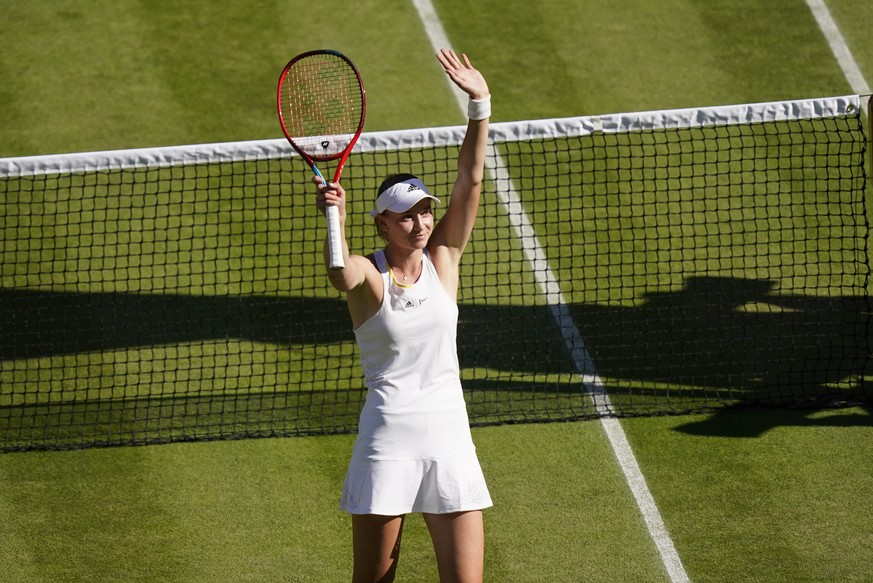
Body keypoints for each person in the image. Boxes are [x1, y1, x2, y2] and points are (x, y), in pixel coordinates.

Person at [313, 49, 492, 583]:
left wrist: (479, 105)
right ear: (382, 224)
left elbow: (471, 179)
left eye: (425, 211)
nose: (419, 223)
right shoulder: (370, 275)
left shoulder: (445, 259)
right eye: (406, 215)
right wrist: (333, 219)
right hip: (388, 440)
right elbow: (339, 274)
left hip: (449, 437)